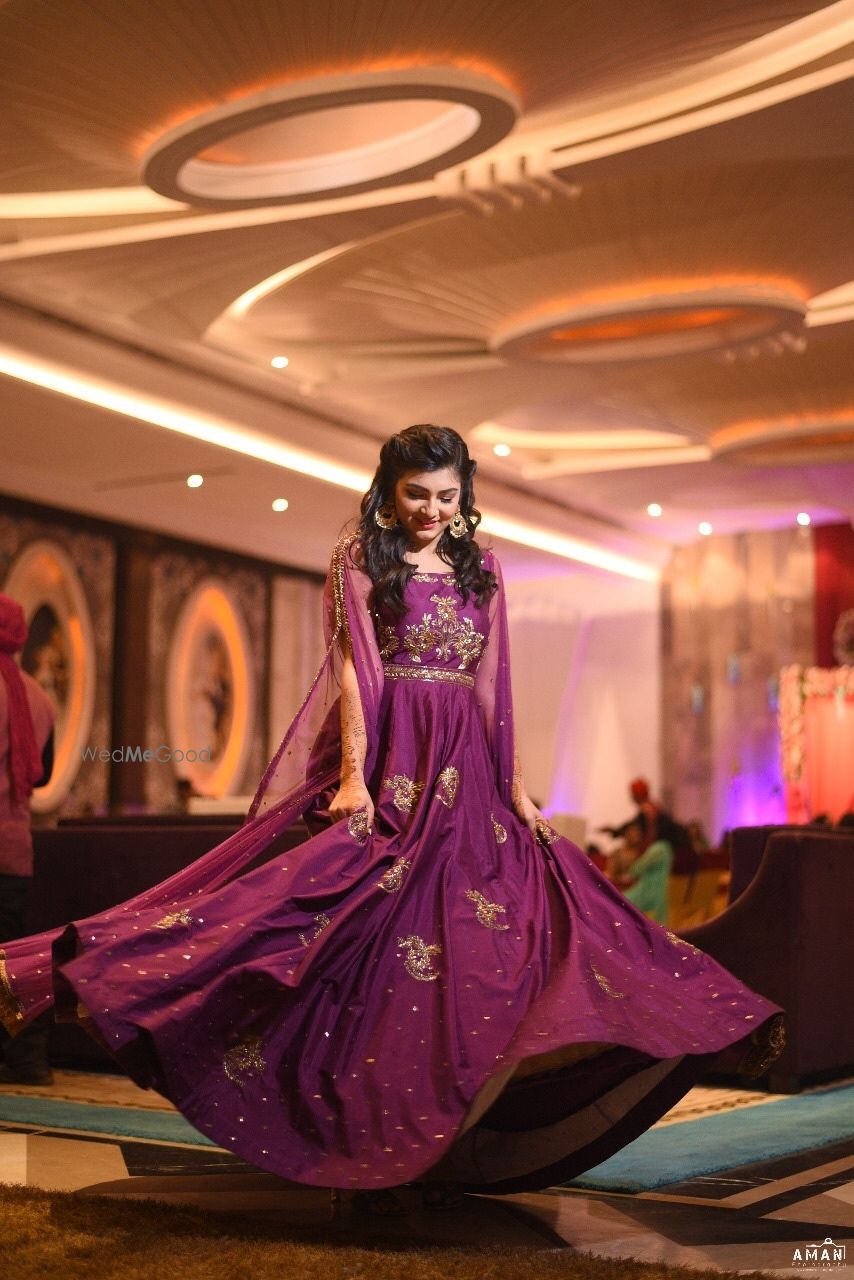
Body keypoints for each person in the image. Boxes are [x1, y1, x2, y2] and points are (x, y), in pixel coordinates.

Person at [0, 426, 785, 1214]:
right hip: (394, 756)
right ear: (389, 488)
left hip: (469, 767)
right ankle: (328, 1107)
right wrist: (353, 777)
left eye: (448, 496)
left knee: (516, 920)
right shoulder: (362, 558)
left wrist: (515, 787)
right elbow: (352, 669)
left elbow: (492, 684)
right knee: (339, 922)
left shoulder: (484, 567)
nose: (433, 511)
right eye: (417, 494)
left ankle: (456, 1121)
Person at [0, 594, 56, 1085]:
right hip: (15, 851)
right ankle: (25, 1060)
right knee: (8, 960)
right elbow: (42, 778)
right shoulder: (38, 697)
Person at [613, 819, 673, 925]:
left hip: (648, 892)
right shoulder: (665, 848)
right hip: (654, 891)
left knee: (616, 902)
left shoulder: (658, 848)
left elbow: (636, 869)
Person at [599, 776, 662, 849]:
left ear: (637, 794)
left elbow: (638, 827)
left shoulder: (647, 811)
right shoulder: (652, 807)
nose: (631, 796)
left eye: (632, 793)